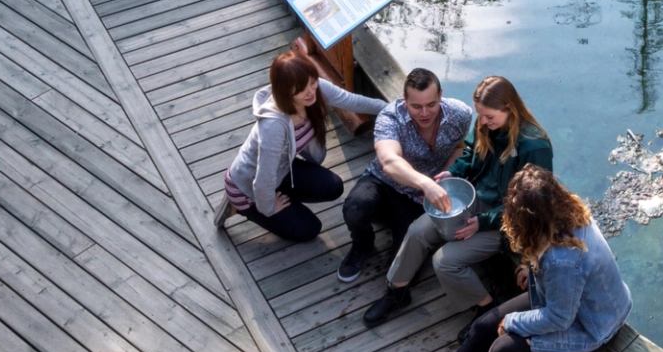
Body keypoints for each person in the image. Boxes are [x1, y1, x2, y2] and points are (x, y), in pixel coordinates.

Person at [379, 166, 630, 352]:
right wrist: (530, 265)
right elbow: (557, 275)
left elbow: (560, 317)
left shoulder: (563, 261)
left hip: (593, 325)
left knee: (503, 351)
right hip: (572, 300)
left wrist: (513, 321)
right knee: (484, 326)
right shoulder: (566, 213)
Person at [362, 75, 555, 326]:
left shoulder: (534, 146)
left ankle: (485, 307)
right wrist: (455, 171)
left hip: (507, 222)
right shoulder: (486, 125)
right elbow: (469, 154)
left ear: (509, 108)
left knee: (445, 261)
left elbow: (531, 206)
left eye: (489, 117)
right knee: (417, 230)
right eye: (480, 115)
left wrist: (482, 222)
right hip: (474, 200)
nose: (482, 122)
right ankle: (397, 291)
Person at [223, 41, 387, 242]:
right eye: (301, 89)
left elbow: (351, 101)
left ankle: (282, 201)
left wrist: (392, 108)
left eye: (312, 82)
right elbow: (263, 177)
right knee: (309, 229)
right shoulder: (273, 126)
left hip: (281, 171)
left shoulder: (315, 91)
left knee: (333, 186)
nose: (311, 91)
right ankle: (236, 207)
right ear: (285, 91)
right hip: (247, 187)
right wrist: (268, 206)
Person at [338, 67, 474, 283]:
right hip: (384, 183)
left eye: (431, 104)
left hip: (416, 200)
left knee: (404, 268)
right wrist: (426, 184)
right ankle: (362, 244)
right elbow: (389, 161)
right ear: (404, 100)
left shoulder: (461, 114)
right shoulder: (390, 116)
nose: (424, 113)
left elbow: (459, 146)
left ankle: (396, 228)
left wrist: (446, 174)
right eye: (416, 106)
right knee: (355, 208)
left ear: (441, 96)